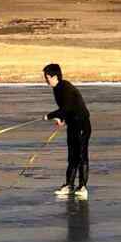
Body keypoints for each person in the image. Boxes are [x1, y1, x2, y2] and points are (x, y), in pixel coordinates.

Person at [42, 64, 91, 197]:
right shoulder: (57, 88)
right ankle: (69, 185)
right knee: (72, 157)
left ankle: (82, 187)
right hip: (73, 124)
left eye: (47, 77)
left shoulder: (65, 88)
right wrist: (62, 119)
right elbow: (66, 109)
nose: (46, 80)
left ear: (54, 76)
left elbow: (67, 108)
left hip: (82, 125)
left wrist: (49, 116)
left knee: (81, 156)